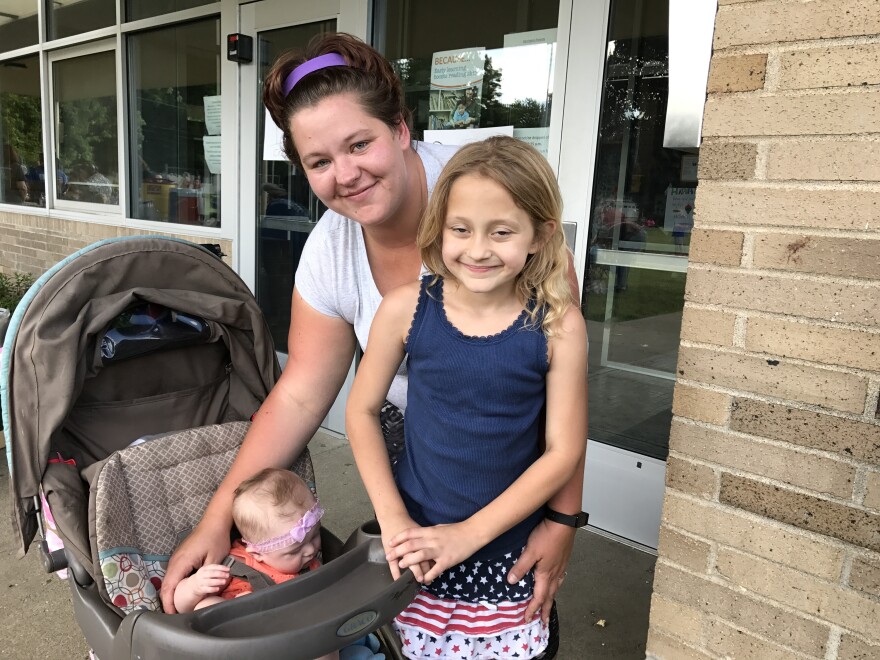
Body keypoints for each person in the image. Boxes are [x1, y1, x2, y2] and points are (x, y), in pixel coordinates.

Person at [161, 34, 586, 641]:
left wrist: (564, 520)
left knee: (512, 617)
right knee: (424, 621)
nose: (347, 175)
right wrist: (217, 517)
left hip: (511, 471)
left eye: (360, 143)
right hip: (419, 472)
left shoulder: (492, 202)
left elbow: (558, 378)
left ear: (402, 129)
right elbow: (302, 394)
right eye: (320, 162)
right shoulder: (330, 253)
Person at [345, 136, 587, 659]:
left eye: (501, 232)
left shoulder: (558, 324)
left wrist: (468, 536)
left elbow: (564, 450)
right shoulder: (404, 309)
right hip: (418, 550)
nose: (477, 250)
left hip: (510, 557)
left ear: (540, 235)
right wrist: (394, 522)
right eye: (461, 229)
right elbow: (361, 411)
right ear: (439, 227)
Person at [172, 468, 324, 613]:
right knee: (205, 606)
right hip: (244, 631)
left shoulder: (309, 564)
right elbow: (183, 608)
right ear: (257, 553)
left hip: (295, 624)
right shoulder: (234, 567)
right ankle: (237, 612)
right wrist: (194, 586)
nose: (311, 550)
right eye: (295, 551)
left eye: (315, 535)